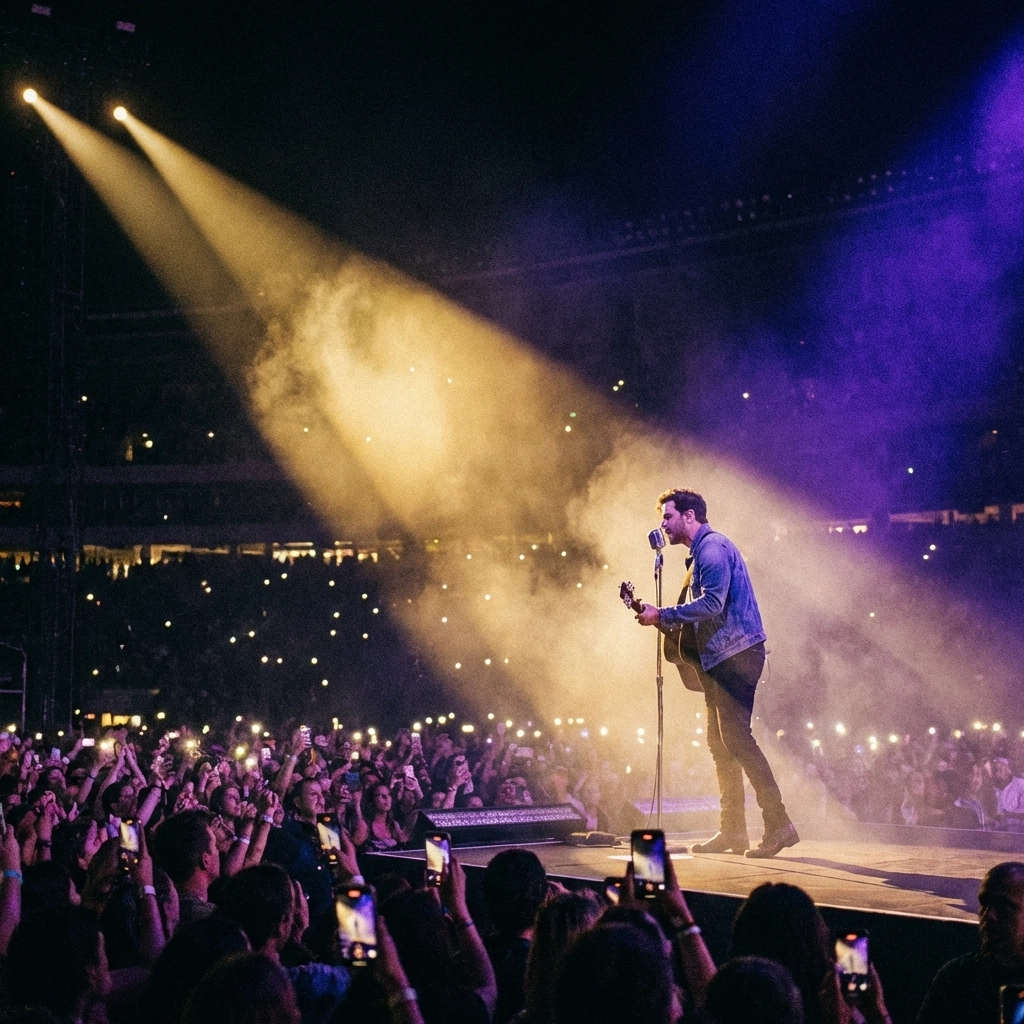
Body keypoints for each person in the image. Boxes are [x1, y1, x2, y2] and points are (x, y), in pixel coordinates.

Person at [635, 488, 797, 858]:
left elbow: (712, 603)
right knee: (720, 744)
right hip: (722, 658)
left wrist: (662, 615)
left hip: (736, 655)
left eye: (668, 516)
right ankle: (733, 831)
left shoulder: (711, 549)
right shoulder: (700, 555)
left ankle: (779, 824)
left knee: (737, 740)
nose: (663, 524)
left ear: (689, 516)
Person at [917, 861, 1024, 1024]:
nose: (988, 915)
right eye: (984, 904)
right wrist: (877, 1012)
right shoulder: (957, 977)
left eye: (1005, 906)